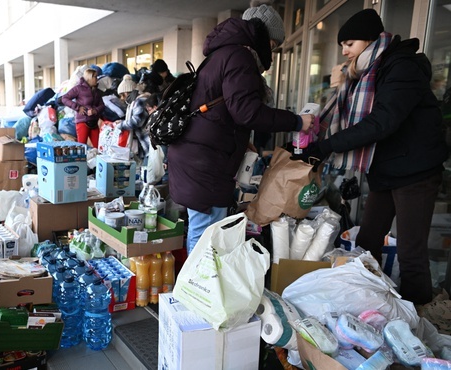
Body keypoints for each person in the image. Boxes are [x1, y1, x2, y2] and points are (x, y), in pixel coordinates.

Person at [291, 9, 448, 304]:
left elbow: (383, 121)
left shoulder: (401, 67)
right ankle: (371, 300)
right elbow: (346, 115)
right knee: (366, 242)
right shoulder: (366, 72)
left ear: (369, 40)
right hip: (387, 169)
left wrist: (328, 146)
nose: (344, 50)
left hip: (415, 172)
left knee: (411, 253)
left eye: (349, 43)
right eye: (342, 45)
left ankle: (418, 323)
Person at [168, 2, 314, 255]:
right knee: (206, 232)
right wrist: (298, 121)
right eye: (272, 45)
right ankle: (195, 290)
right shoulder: (240, 56)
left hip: (199, 154)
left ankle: (201, 287)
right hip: (205, 159)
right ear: (261, 36)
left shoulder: (221, 54)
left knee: (207, 229)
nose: (272, 51)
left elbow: (226, 111)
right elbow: (247, 112)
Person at [116, 73, 161, 165]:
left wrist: (120, 125)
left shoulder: (140, 100)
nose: (122, 99)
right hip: (148, 145)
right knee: (148, 173)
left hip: (151, 145)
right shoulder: (137, 101)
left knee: (152, 174)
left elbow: (137, 121)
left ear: (125, 93)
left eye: (121, 96)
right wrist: (123, 122)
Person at [61, 68, 105, 148]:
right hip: (82, 122)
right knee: (81, 148)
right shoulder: (78, 89)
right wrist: (78, 108)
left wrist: (95, 111)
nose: (97, 79)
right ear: (89, 78)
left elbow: (102, 106)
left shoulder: (97, 91)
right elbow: (64, 98)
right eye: (95, 77)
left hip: (94, 123)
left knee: (98, 148)